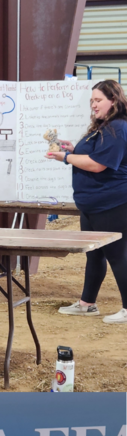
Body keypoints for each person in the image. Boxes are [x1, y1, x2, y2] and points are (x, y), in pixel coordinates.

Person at [47, 79, 127, 324]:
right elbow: (91, 154)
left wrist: (67, 157)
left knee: (118, 255)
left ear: (113, 100)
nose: (93, 105)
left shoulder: (118, 127)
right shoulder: (102, 127)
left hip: (112, 203)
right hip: (92, 205)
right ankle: (87, 303)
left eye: (98, 100)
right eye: (92, 100)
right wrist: (72, 148)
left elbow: (98, 164)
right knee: (94, 255)